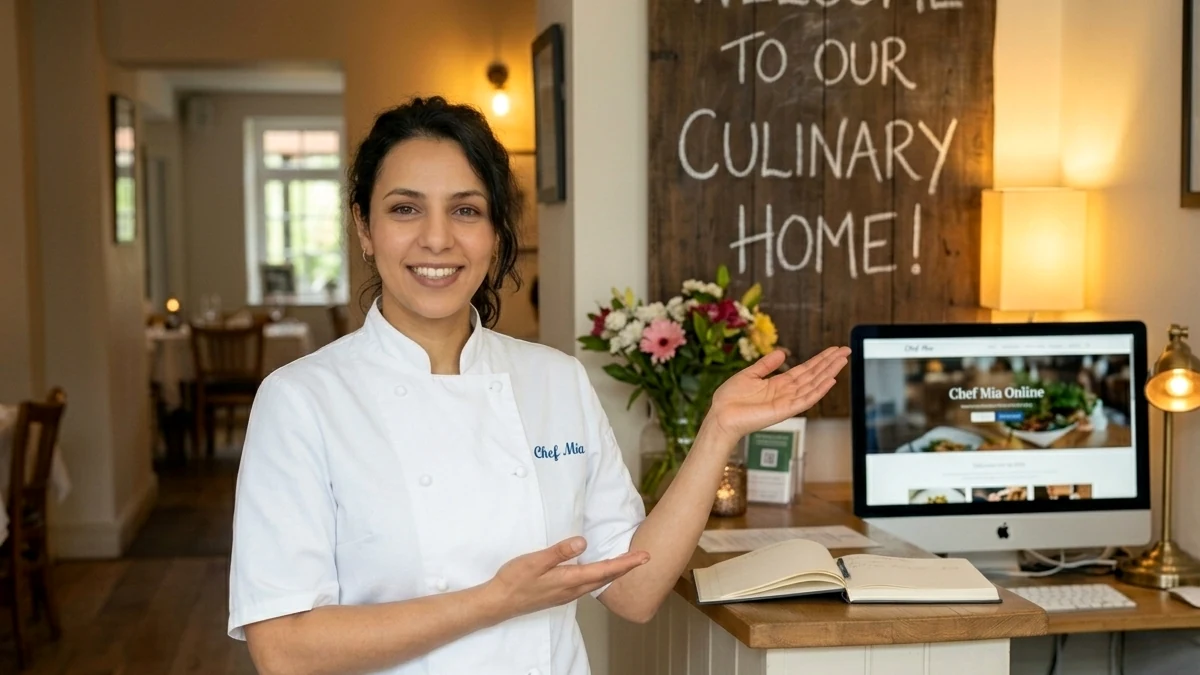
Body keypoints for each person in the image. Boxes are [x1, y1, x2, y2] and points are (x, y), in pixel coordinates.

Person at [227, 96, 849, 675]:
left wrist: (717, 432)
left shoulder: (556, 380)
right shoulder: (302, 400)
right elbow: (282, 649)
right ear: (364, 227)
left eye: (466, 210)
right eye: (405, 208)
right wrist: (493, 601)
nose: (437, 239)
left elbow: (633, 591)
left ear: (497, 232)